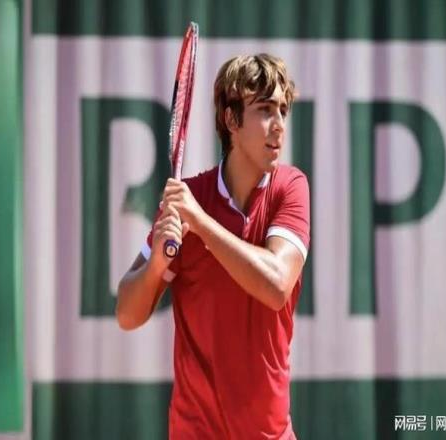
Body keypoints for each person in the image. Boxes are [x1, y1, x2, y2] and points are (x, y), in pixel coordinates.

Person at [116, 53, 310, 439]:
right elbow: (127, 314)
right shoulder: (188, 199)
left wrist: (200, 224)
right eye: (265, 109)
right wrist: (157, 265)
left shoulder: (290, 188)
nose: (279, 125)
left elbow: (276, 285)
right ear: (231, 119)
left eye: (283, 111)